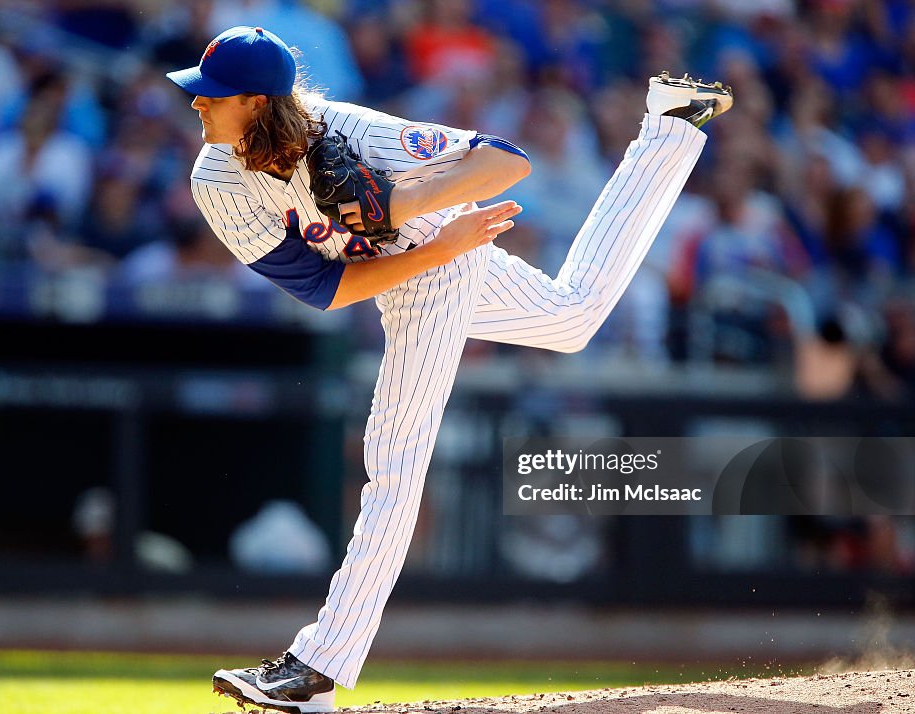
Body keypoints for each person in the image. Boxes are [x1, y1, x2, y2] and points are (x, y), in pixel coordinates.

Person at [166, 27, 732, 713]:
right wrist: (408, 231)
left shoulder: (351, 133)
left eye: (213, 96)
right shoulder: (216, 179)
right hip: (406, 266)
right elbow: (326, 290)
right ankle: (672, 127)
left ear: (257, 101)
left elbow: (504, 163)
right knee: (572, 317)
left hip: (440, 244)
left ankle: (315, 669)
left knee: (394, 460)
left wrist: (411, 209)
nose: (197, 105)